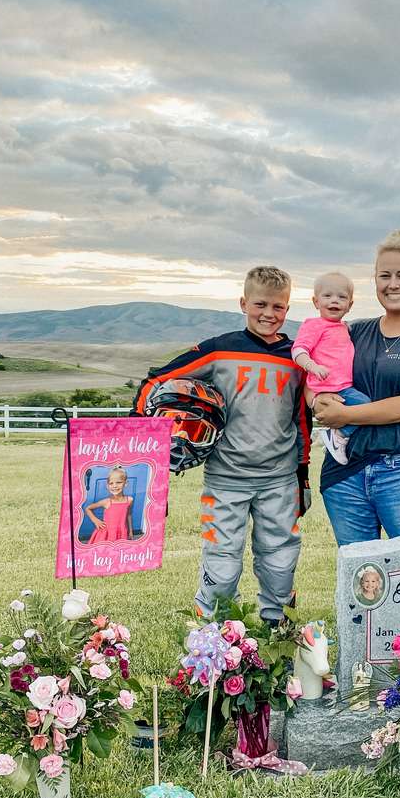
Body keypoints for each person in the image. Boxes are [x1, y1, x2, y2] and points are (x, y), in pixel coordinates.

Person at [132, 266, 311, 624]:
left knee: (279, 561)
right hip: (225, 479)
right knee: (223, 563)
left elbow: (302, 418)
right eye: (260, 304)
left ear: (288, 309)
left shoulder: (297, 357)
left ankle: (277, 631)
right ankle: (215, 636)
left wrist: (302, 477)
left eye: (278, 307)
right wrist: (141, 437)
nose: (268, 314)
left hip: (279, 480)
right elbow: (156, 381)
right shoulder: (218, 350)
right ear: (244, 303)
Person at [314, 227, 400, 545]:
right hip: (345, 472)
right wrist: (317, 401)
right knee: (360, 582)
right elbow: (317, 374)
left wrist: (345, 416)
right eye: (384, 276)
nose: (393, 284)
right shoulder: (353, 332)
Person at [291, 272, 370, 464]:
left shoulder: (344, 328)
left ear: (350, 305)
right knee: (366, 406)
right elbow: (298, 350)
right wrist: (312, 366)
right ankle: (339, 436)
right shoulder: (314, 325)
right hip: (328, 386)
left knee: (363, 410)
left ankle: (340, 434)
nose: (334, 301)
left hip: (343, 385)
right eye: (327, 296)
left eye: (341, 297)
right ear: (316, 301)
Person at [83, 466, 134, 543]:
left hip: (121, 533)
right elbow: (88, 508)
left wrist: (130, 531)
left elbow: (129, 515)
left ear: (125, 483)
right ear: (107, 486)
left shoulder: (129, 500)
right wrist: (96, 521)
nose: (114, 486)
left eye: (119, 482)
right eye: (111, 483)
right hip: (105, 535)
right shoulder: (107, 502)